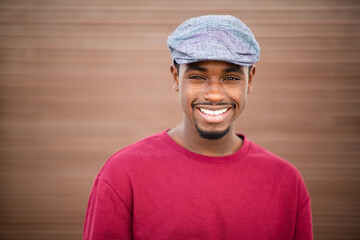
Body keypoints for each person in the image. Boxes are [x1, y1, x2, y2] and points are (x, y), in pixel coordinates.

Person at [83, 15, 313, 240]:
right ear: (175, 77)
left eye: (231, 78)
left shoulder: (286, 182)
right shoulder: (123, 174)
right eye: (197, 77)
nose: (214, 94)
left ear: (250, 80)